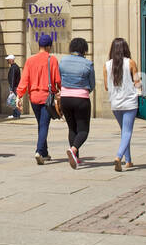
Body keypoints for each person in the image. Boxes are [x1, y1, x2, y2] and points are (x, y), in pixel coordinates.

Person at [16, 33, 61, 165]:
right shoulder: (52, 60)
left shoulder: (30, 61)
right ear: (49, 47)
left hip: (33, 98)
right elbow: (58, 80)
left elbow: (24, 80)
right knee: (44, 125)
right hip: (47, 97)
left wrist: (19, 96)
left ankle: (45, 152)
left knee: (41, 125)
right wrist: (61, 90)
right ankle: (39, 151)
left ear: (39, 46)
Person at [58, 37, 95, 169]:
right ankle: (73, 150)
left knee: (72, 128)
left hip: (65, 98)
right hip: (81, 98)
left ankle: (76, 158)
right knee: (83, 130)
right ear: (84, 49)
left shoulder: (62, 61)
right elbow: (92, 84)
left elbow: (59, 78)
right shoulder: (88, 64)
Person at [104, 37, 141, 172]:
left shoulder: (107, 65)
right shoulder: (131, 63)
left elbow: (106, 87)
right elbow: (137, 83)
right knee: (127, 131)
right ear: (125, 48)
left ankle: (129, 160)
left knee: (124, 132)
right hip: (130, 102)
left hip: (115, 104)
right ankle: (119, 156)